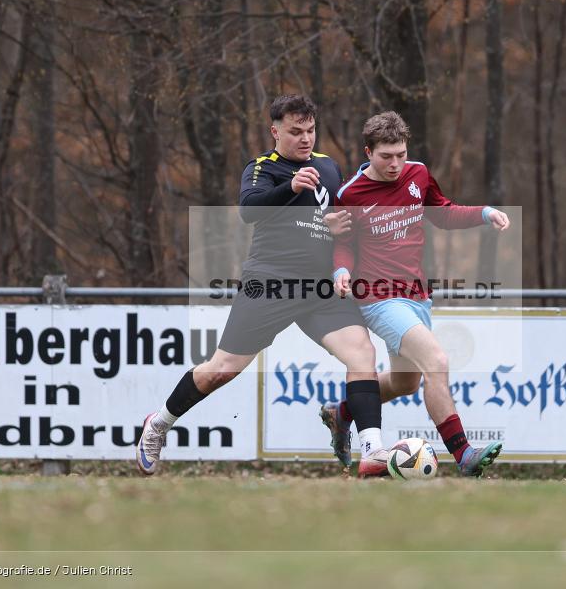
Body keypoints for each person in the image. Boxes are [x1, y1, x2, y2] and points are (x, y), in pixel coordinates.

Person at [137, 95, 388, 477]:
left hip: (320, 288)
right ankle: (158, 424)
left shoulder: (327, 166)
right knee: (221, 370)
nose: (305, 139)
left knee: (362, 355)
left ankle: (375, 451)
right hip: (271, 282)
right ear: (275, 131)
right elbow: (249, 209)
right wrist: (291, 188)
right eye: (295, 132)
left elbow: (336, 222)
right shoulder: (263, 168)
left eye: (310, 130)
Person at [322, 111, 510, 477]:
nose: (395, 164)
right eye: (385, 156)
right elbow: (342, 243)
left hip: (417, 296)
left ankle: (341, 412)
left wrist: (484, 213)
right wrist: (341, 269)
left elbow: (442, 213)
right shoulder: (351, 193)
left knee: (406, 382)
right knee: (436, 360)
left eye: (401, 155)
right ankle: (464, 455)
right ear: (368, 152)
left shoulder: (418, 174)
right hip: (379, 299)